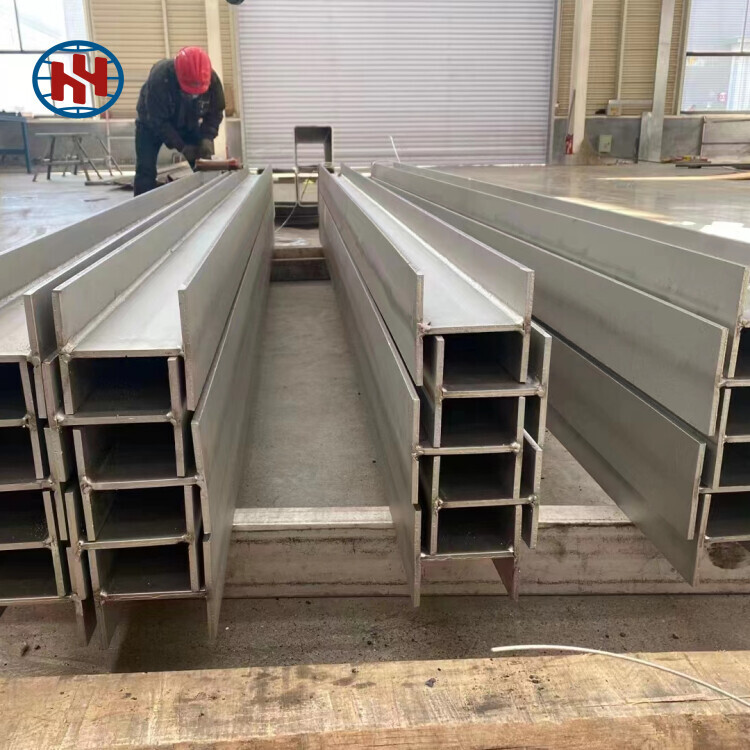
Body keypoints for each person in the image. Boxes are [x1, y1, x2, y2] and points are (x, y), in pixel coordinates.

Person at [133, 46, 225, 196]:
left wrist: (207, 137)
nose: (194, 95)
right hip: (150, 124)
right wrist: (182, 146)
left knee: (204, 163)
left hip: (188, 122)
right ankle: (141, 206)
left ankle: (209, 198)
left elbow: (215, 112)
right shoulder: (160, 78)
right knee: (145, 169)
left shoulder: (211, 79)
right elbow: (158, 121)